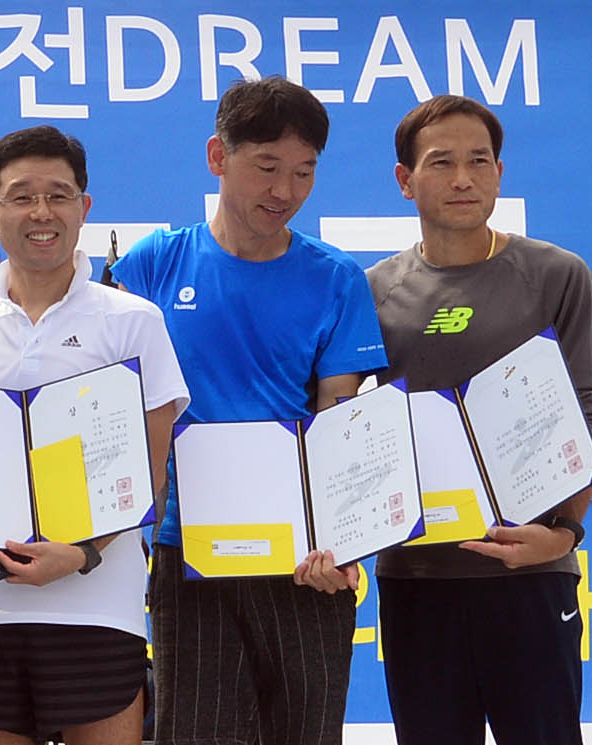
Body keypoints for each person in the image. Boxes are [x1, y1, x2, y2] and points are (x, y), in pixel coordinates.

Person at [108, 76, 388, 745]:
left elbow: (339, 416)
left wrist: (342, 542)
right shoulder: (151, 265)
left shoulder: (336, 279)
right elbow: (103, 403)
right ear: (218, 156)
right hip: (185, 548)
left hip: (301, 559)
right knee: (195, 732)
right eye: (266, 167)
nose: (284, 190)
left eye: (303, 172)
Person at [0, 125, 188, 744]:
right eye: (22, 197)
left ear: (84, 208)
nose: (42, 212)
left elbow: (152, 471)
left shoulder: (133, 322)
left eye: (59, 195)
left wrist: (81, 554)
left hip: (98, 606)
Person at [366, 94, 592, 745]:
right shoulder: (373, 291)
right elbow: (352, 427)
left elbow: (583, 406)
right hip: (416, 581)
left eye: (479, 161)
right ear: (405, 179)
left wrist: (563, 534)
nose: (463, 179)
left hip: (528, 573)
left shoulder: (556, 275)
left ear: (499, 172)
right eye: (441, 162)